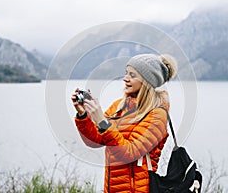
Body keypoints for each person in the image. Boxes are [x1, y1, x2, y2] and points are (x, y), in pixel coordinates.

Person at [71, 53, 177, 193]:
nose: (125, 79)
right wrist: (83, 115)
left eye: (132, 75)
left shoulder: (157, 114)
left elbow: (130, 153)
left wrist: (101, 120)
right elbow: (95, 141)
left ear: (147, 81)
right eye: (126, 73)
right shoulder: (119, 106)